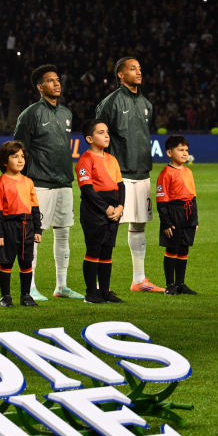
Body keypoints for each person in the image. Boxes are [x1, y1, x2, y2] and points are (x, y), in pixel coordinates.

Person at [13, 65, 83, 301]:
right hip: (40, 183)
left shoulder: (66, 113)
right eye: (50, 81)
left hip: (64, 182)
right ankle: (30, 286)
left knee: (63, 233)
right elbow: (19, 150)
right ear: (40, 87)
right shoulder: (30, 114)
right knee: (34, 234)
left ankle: (61, 286)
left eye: (57, 79)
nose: (56, 83)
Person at [95, 57, 163, 293]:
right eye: (133, 69)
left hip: (142, 171)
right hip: (118, 174)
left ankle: (139, 280)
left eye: (140, 68)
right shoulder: (110, 102)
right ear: (121, 75)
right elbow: (98, 137)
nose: (138, 72)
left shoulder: (146, 103)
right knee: (109, 225)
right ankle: (99, 284)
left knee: (139, 224)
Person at [75, 120, 125, 305]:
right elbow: (87, 189)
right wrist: (106, 208)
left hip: (113, 210)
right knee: (94, 250)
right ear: (89, 138)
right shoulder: (85, 160)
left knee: (107, 251)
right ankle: (91, 293)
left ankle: (105, 291)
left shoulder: (112, 159)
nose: (106, 136)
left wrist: (120, 207)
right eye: (101, 132)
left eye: (107, 132)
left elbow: (121, 185)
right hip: (94, 212)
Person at [0, 141, 42, 308]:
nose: (20, 160)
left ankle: (25, 295)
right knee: (6, 262)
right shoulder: (0, 184)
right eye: (15, 156)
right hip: (8, 227)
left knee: (26, 262)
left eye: (22, 156)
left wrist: (37, 229)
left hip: (27, 227)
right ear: (4, 161)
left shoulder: (28, 182)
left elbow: (35, 207)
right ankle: (5, 296)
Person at [156, 136, 198, 295]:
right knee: (172, 248)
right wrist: (166, 222)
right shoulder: (166, 173)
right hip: (173, 212)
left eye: (186, 150)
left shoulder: (188, 171)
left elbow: (193, 197)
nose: (185, 153)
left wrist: (194, 220)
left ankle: (180, 283)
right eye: (180, 150)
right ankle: (169, 285)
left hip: (188, 213)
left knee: (184, 248)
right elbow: (161, 201)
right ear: (169, 152)